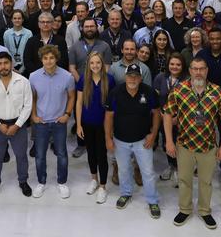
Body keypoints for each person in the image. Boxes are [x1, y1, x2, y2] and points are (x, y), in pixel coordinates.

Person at [163, 57, 221, 229]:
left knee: (205, 181)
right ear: (190, 70)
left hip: (208, 146)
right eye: (195, 68)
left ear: (207, 70)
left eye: (202, 68)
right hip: (184, 145)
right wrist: (169, 141)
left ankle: (205, 211)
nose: (198, 72)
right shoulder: (179, 90)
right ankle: (185, 209)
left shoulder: (217, 92)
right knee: (184, 180)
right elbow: (167, 114)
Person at [105, 65, 161, 217]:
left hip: (143, 140)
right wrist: (108, 138)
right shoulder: (115, 93)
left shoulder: (148, 92)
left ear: (141, 78)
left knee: (148, 172)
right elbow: (109, 116)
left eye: (136, 76)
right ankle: (126, 193)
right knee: (124, 170)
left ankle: (152, 200)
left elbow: (156, 113)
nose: (132, 79)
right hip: (120, 140)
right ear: (125, 77)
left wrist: (153, 134)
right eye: (130, 76)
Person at [0, 51, 33, 199]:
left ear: (11, 64)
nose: (3, 66)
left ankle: (23, 181)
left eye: (6, 63)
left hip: (18, 125)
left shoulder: (23, 82)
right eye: (0, 64)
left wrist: (17, 125)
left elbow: (28, 106)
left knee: (21, 156)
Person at [29, 45, 75, 199]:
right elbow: (33, 98)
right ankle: (41, 182)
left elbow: (72, 97)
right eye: (45, 58)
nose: (48, 61)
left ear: (56, 58)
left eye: (51, 58)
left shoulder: (67, 76)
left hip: (59, 122)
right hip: (41, 122)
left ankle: (62, 182)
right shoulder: (33, 76)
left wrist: (67, 114)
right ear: (41, 59)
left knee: (62, 154)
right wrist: (34, 116)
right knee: (40, 155)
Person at [75, 52, 116, 203]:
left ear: (102, 64)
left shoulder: (109, 80)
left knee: (101, 154)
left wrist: (111, 128)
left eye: (98, 63)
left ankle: (103, 186)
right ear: (88, 65)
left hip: (103, 124)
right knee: (90, 152)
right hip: (87, 123)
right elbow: (79, 103)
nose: (95, 66)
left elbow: (112, 106)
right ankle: (94, 179)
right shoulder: (83, 81)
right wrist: (78, 124)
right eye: (92, 63)